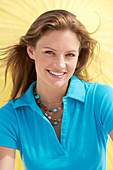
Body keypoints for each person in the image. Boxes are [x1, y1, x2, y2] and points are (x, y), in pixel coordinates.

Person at [0, 9, 113, 170]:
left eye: (70, 55)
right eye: (49, 52)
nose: (60, 65)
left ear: (78, 55)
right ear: (31, 51)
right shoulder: (9, 116)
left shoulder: (101, 98)